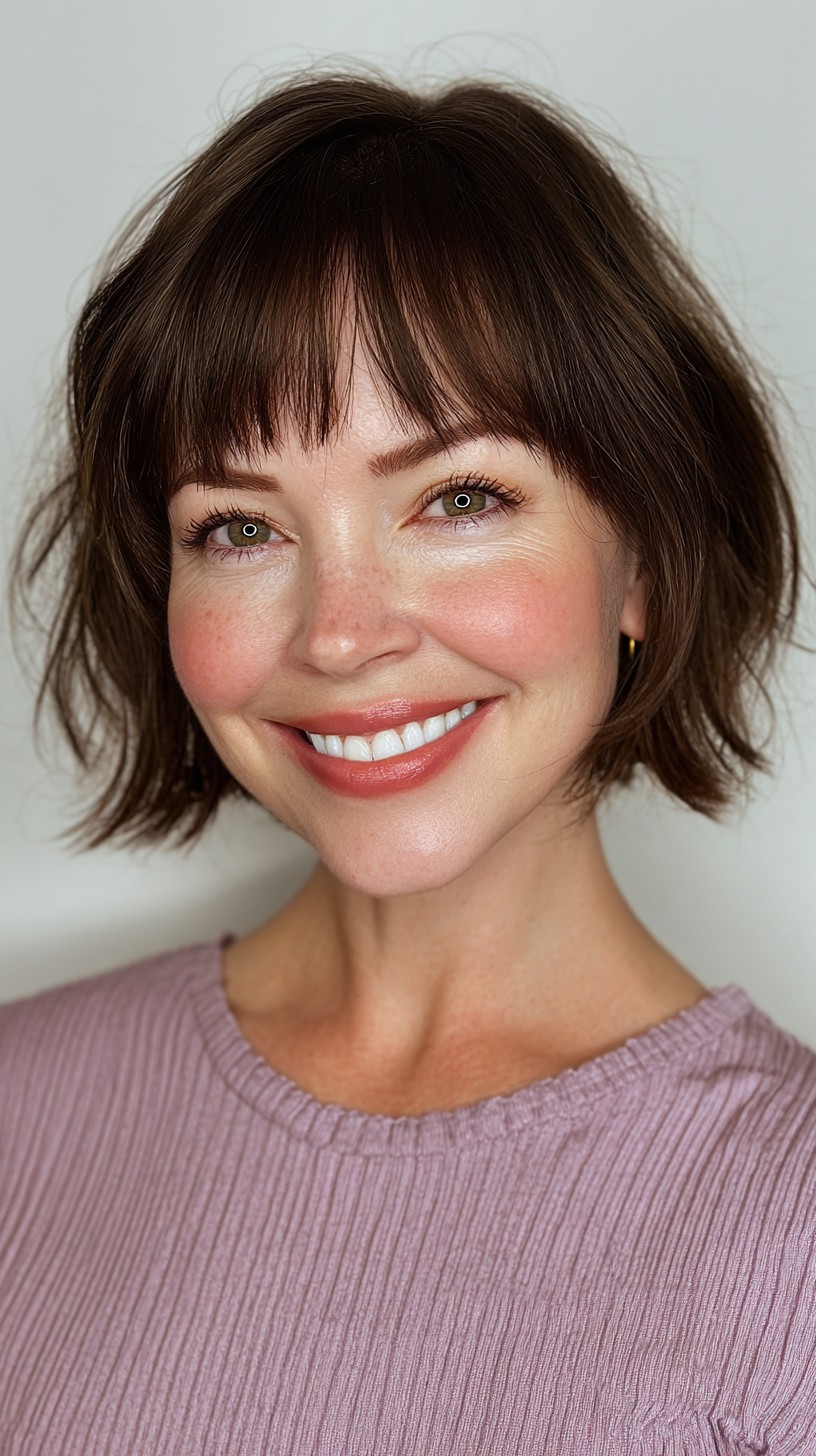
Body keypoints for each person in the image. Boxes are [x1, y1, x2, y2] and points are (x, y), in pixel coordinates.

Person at [2, 66, 815, 1454]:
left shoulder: (787, 1237)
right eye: (240, 528)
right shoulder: (20, 1109)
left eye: (459, 498)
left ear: (646, 562)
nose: (340, 633)